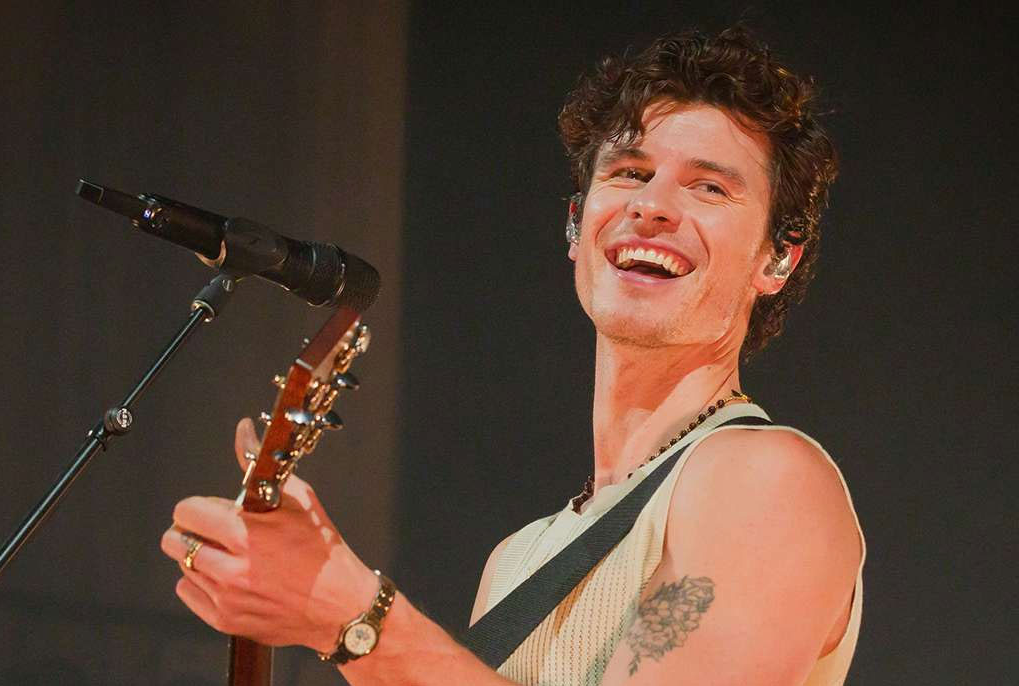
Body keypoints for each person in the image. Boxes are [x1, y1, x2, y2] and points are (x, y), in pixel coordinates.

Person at [160, 26, 865, 686]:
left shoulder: (765, 478)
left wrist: (354, 617)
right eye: (628, 172)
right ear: (575, 225)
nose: (652, 206)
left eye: (708, 186)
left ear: (777, 257)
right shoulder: (516, 562)